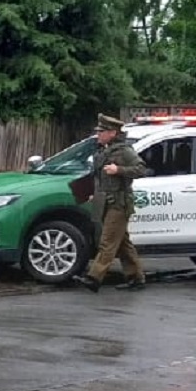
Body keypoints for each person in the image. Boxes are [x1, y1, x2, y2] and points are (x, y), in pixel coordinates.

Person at [72, 113, 147, 292]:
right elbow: (99, 177)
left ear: (112, 133)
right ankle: (136, 277)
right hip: (105, 201)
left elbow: (141, 169)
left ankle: (94, 278)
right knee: (122, 242)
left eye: (102, 131)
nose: (98, 134)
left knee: (107, 242)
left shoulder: (123, 150)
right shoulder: (104, 150)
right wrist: (91, 192)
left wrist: (119, 169)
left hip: (118, 204)